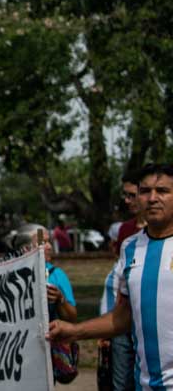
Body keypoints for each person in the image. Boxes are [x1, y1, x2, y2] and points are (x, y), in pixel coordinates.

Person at [48, 163, 173, 389]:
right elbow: (123, 316)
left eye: (162, 191)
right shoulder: (131, 247)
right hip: (145, 385)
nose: (152, 198)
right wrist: (75, 331)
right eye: (145, 191)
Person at [98, 169, 141, 391]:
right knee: (121, 383)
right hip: (125, 322)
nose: (127, 200)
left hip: (152, 325)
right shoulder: (126, 231)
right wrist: (108, 326)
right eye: (125, 195)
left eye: (132, 195)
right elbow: (122, 277)